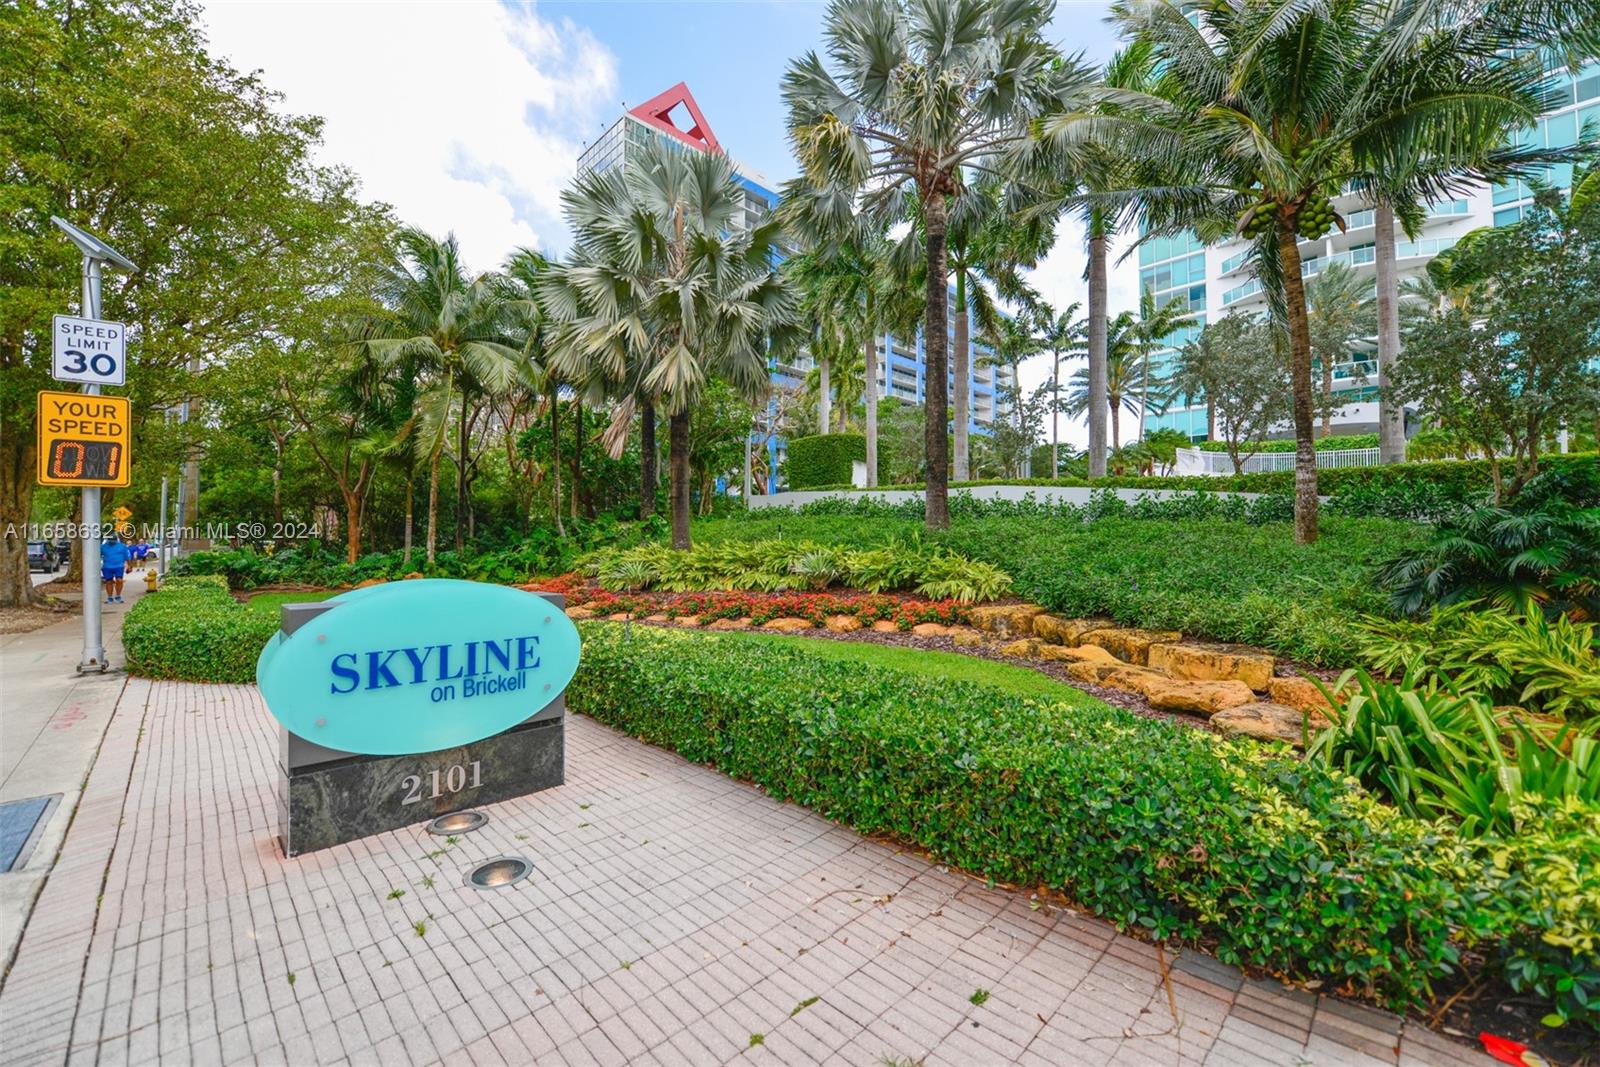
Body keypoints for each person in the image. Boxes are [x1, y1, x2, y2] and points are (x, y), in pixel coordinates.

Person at [101, 534, 131, 604]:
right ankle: (109, 597)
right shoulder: (103, 547)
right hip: (107, 567)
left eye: (113, 540)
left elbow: (128, 557)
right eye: (110, 540)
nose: (112, 542)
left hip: (119, 566)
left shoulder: (122, 546)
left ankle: (118, 596)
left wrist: (129, 566)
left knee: (119, 580)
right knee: (109, 582)